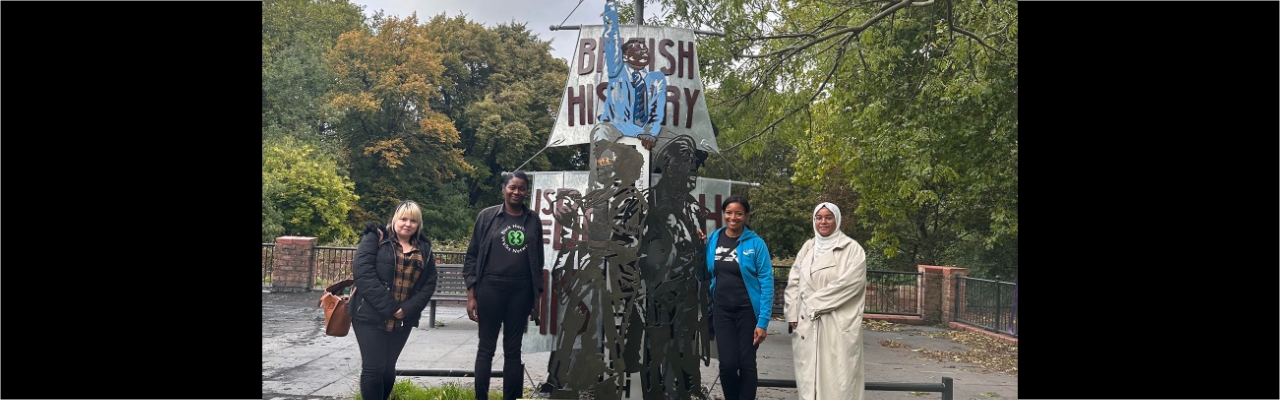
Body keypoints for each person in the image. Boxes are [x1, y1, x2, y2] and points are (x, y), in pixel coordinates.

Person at [463, 171, 546, 400]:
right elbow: (471, 257)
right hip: (490, 288)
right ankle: (481, 397)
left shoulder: (532, 220)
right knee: (486, 349)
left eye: (521, 188)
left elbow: (538, 263)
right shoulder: (487, 217)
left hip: (520, 292)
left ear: (526, 191)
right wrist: (471, 295)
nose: (517, 192)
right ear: (504, 189)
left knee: (512, 350)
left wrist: (536, 299)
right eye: (512, 187)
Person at [350, 200, 439, 400]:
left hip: (402, 320)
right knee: (374, 370)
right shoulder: (375, 238)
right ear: (394, 219)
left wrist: (407, 309)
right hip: (369, 315)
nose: (407, 224)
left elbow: (429, 283)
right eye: (403, 219)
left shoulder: (424, 248)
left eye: (413, 221)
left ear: (418, 224)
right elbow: (363, 274)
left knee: (388, 370)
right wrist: (390, 307)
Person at [783, 202, 867, 400]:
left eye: (828, 217)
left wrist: (812, 304)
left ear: (837, 220)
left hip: (837, 323)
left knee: (838, 381)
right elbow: (795, 279)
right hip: (806, 325)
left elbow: (849, 285)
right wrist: (792, 312)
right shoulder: (808, 248)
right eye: (819, 217)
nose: (823, 221)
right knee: (809, 381)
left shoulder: (852, 249)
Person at [704, 196, 774, 400]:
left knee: (746, 363)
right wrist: (700, 248)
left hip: (748, 312)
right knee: (727, 365)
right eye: (729, 212)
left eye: (738, 213)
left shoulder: (756, 244)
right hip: (722, 311)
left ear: (746, 216)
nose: (733, 217)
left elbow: (767, 282)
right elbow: (704, 273)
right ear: (724, 214)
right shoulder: (714, 239)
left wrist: (763, 322)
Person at [597, 0, 667, 150]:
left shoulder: (657, 79)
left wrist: (651, 132)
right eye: (637, 49)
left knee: (679, 145)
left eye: (645, 49)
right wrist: (610, 7)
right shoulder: (617, 72)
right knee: (600, 134)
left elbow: (657, 109)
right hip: (615, 127)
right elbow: (611, 37)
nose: (643, 51)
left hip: (645, 132)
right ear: (624, 57)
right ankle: (602, 171)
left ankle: (675, 172)